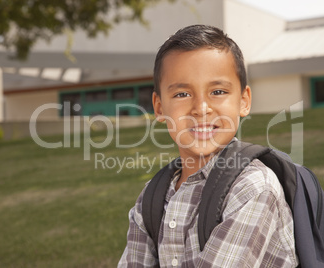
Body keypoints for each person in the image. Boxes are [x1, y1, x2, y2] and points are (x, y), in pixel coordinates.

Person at [118, 25, 299, 267]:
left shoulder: (252, 187)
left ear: (243, 101)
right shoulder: (152, 196)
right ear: (159, 108)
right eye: (182, 94)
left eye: (218, 91)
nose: (201, 108)